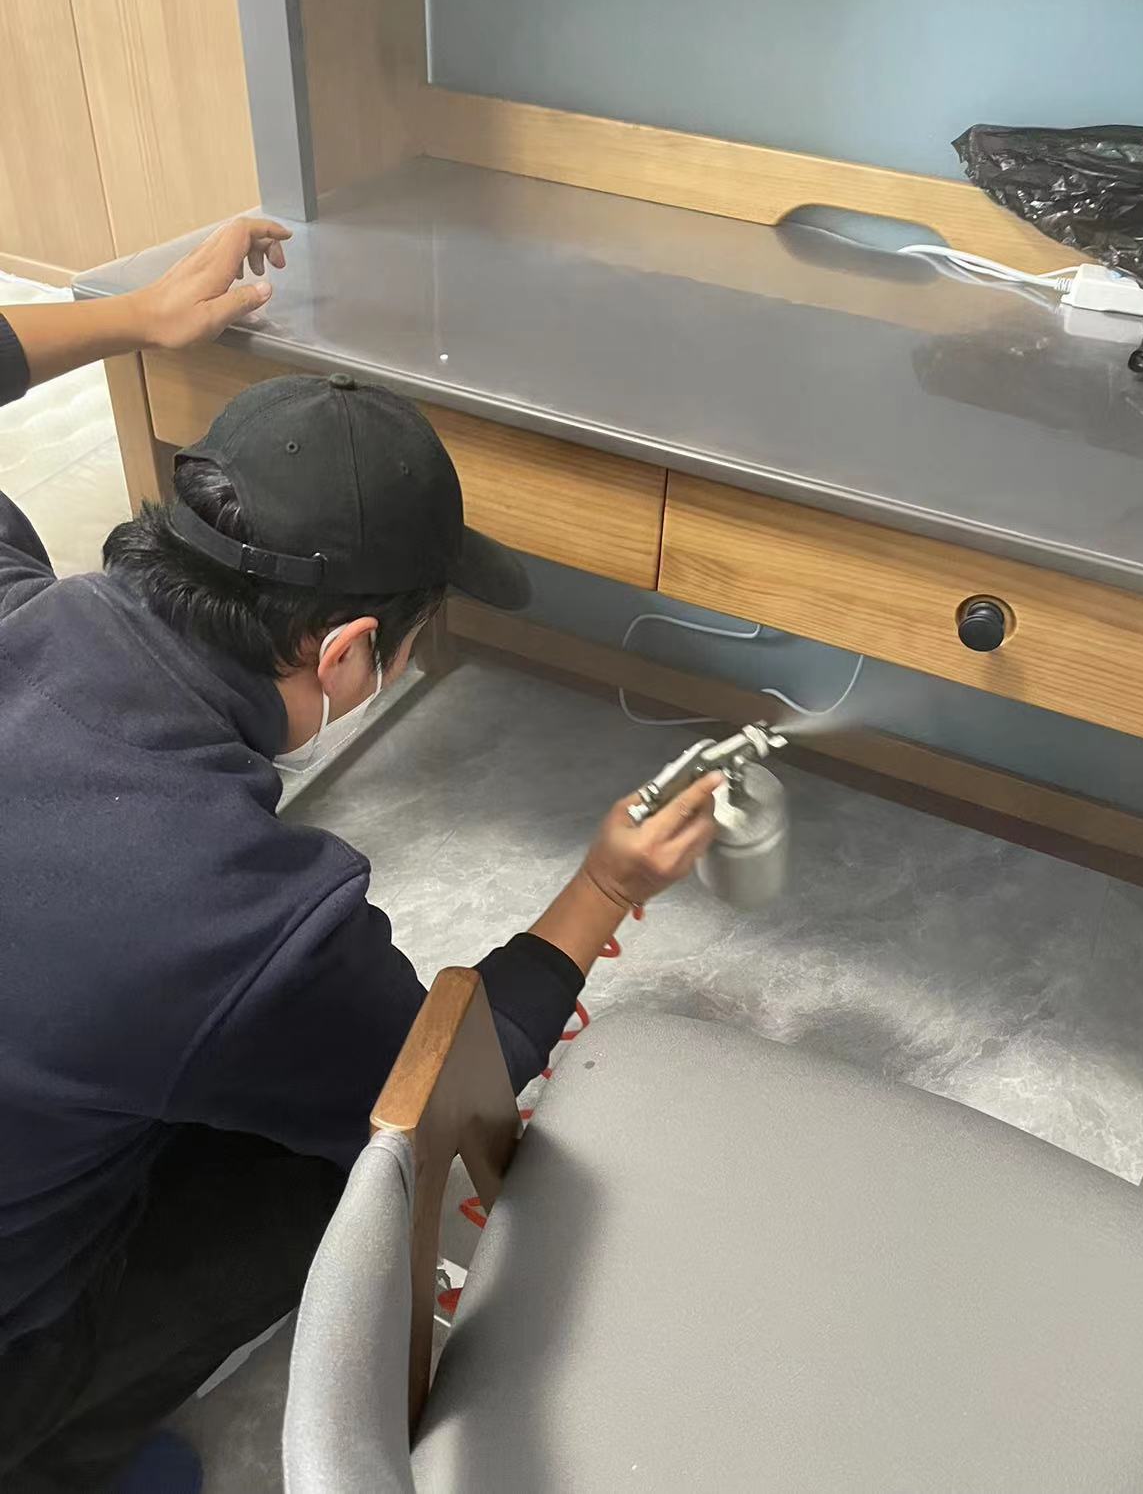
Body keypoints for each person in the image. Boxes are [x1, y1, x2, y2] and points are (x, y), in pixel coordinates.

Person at [0, 218, 721, 1494]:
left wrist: (134, 318)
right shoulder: (227, 919)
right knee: (341, 1182)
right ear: (345, 654)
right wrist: (604, 886)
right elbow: (441, 1091)